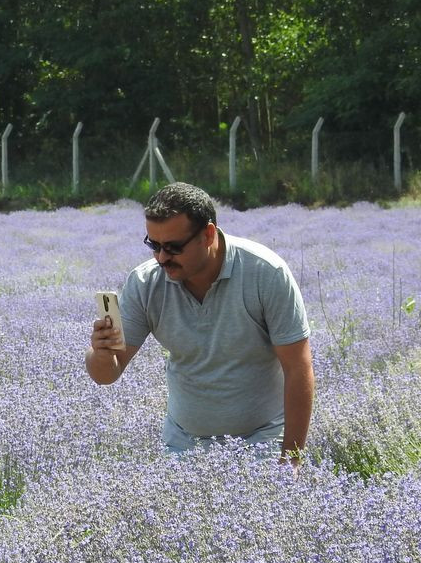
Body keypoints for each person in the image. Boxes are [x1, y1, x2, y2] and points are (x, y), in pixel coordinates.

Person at [86, 182, 314, 461]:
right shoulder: (146, 283)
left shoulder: (265, 273)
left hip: (262, 437)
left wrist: (291, 459)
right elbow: (107, 375)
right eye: (154, 245)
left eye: (173, 247)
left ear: (207, 235)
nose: (161, 258)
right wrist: (101, 352)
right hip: (184, 442)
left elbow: (298, 368)